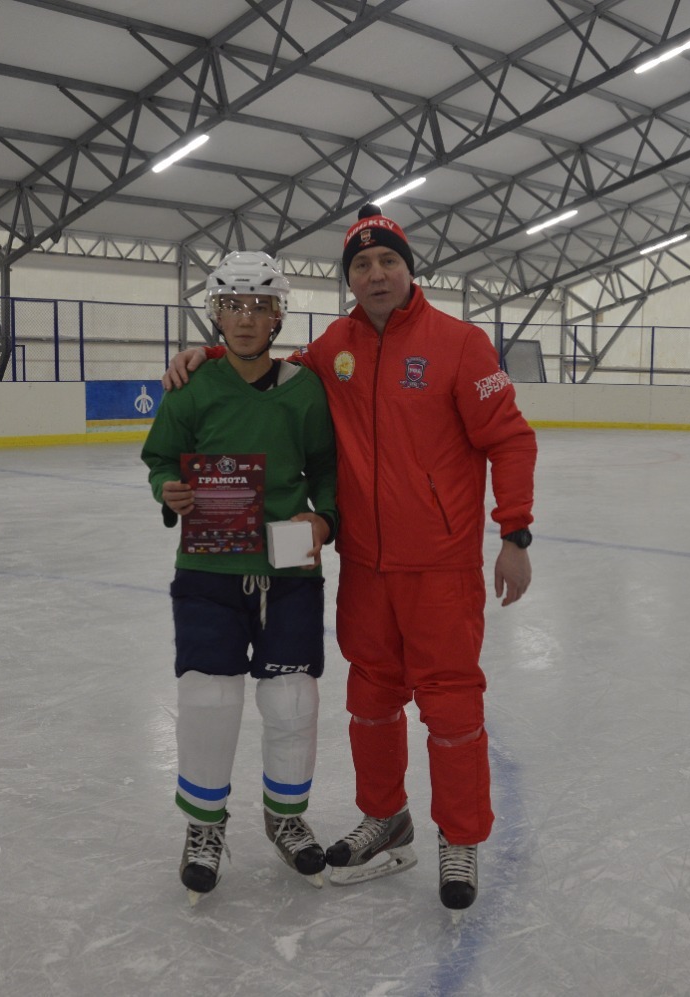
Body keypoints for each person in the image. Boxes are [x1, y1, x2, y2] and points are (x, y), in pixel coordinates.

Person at [164, 206, 537, 911]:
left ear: (409, 269)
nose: (375, 274)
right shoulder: (336, 345)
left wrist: (514, 534)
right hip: (365, 564)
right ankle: (385, 817)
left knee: (451, 703)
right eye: (361, 265)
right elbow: (266, 367)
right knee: (370, 699)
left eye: (387, 261)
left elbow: (511, 439)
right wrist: (207, 356)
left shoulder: (460, 345)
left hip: (440, 565)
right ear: (349, 279)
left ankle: (460, 837)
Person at [141, 251, 339, 904]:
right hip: (209, 568)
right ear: (215, 314)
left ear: (279, 314)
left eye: (259, 305)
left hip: (288, 568)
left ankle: (285, 815)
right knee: (208, 697)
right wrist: (167, 489)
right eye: (233, 304)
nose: (246, 318)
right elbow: (161, 459)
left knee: (292, 699)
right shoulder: (191, 387)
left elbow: (327, 468)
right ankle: (204, 825)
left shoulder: (305, 388)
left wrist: (325, 519)